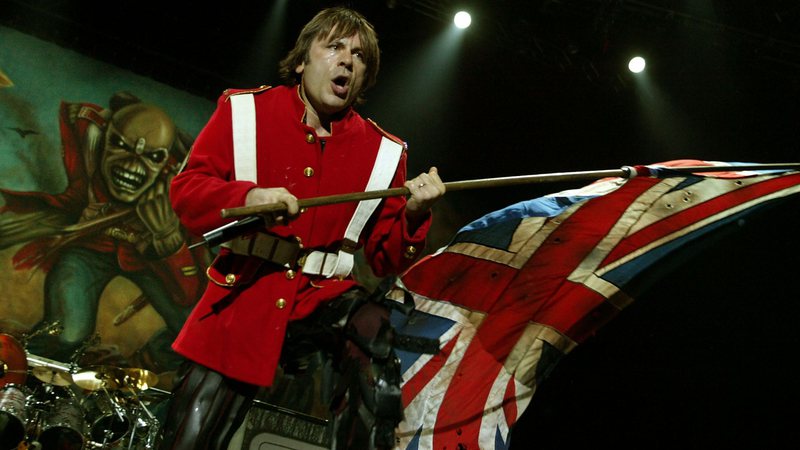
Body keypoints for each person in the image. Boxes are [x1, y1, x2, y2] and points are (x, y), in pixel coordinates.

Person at [159, 6, 445, 450]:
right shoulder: (244, 111)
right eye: (334, 47)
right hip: (248, 291)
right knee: (190, 435)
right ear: (300, 60)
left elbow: (387, 258)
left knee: (374, 330)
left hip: (324, 298)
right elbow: (188, 192)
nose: (347, 61)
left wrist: (414, 215)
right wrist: (247, 198)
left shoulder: (385, 152)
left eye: (359, 56)